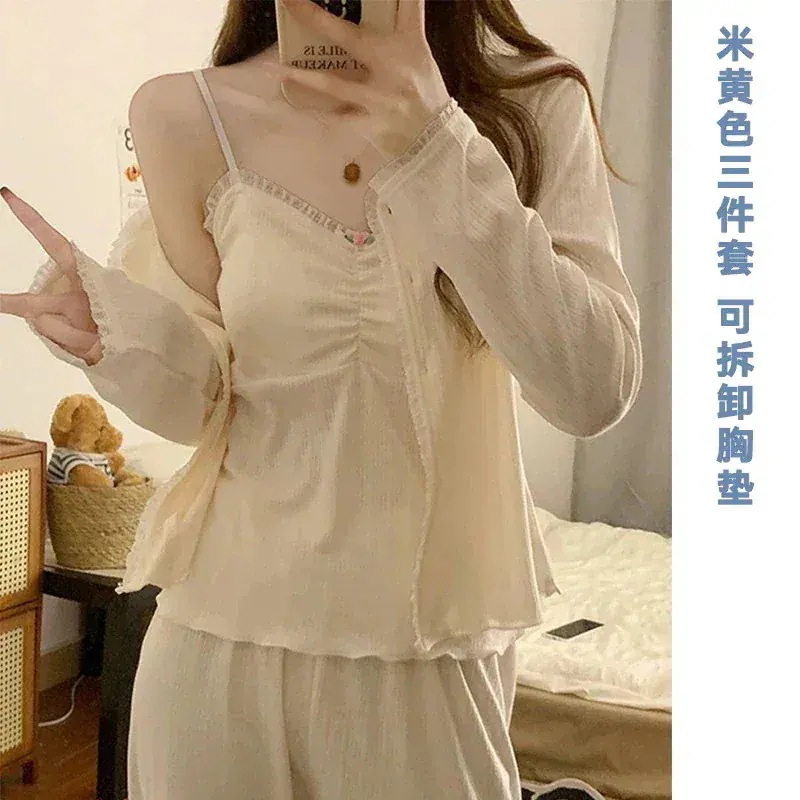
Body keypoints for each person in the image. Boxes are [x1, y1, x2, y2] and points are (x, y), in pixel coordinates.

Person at [0, 0, 643, 797]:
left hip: (428, 655)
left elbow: (593, 390)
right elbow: (204, 406)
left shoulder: (532, 103)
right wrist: (114, 333)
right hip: (216, 641)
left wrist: (436, 142)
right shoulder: (185, 113)